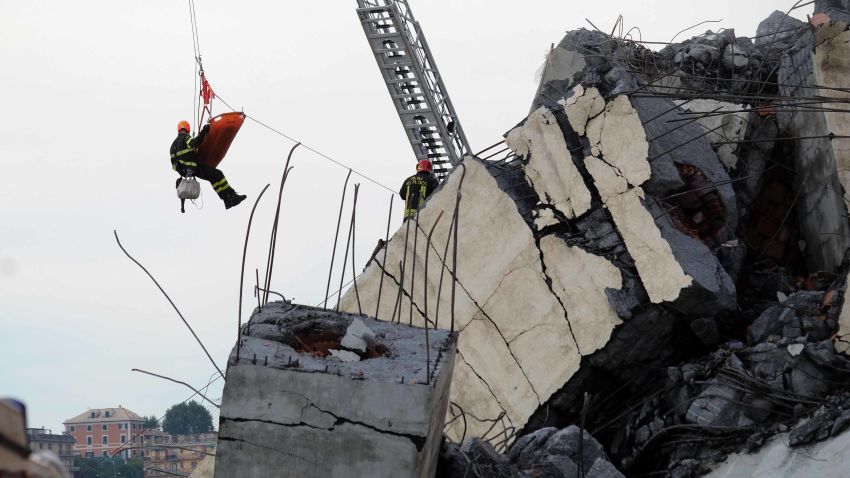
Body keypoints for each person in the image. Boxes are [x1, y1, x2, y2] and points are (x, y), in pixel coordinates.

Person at [170, 120, 246, 209]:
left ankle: (227, 201)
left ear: (178, 129)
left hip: (189, 172)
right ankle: (232, 195)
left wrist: (183, 170)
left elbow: (174, 165)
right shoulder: (185, 138)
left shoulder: (173, 146)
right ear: (188, 129)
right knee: (218, 174)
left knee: (213, 178)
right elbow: (195, 143)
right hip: (195, 169)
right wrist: (204, 131)